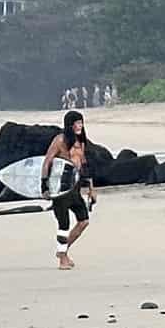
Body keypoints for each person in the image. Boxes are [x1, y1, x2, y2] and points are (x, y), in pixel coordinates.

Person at [40, 109, 95, 270]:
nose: (80, 126)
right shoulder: (60, 140)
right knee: (63, 224)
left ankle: (63, 250)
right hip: (59, 187)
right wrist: (44, 186)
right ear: (69, 125)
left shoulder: (81, 142)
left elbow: (84, 166)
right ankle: (62, 259)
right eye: (77, 123)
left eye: (81, 122)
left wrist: (91, 189)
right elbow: (47, 162)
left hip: (74, 187)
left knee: (83, 221)